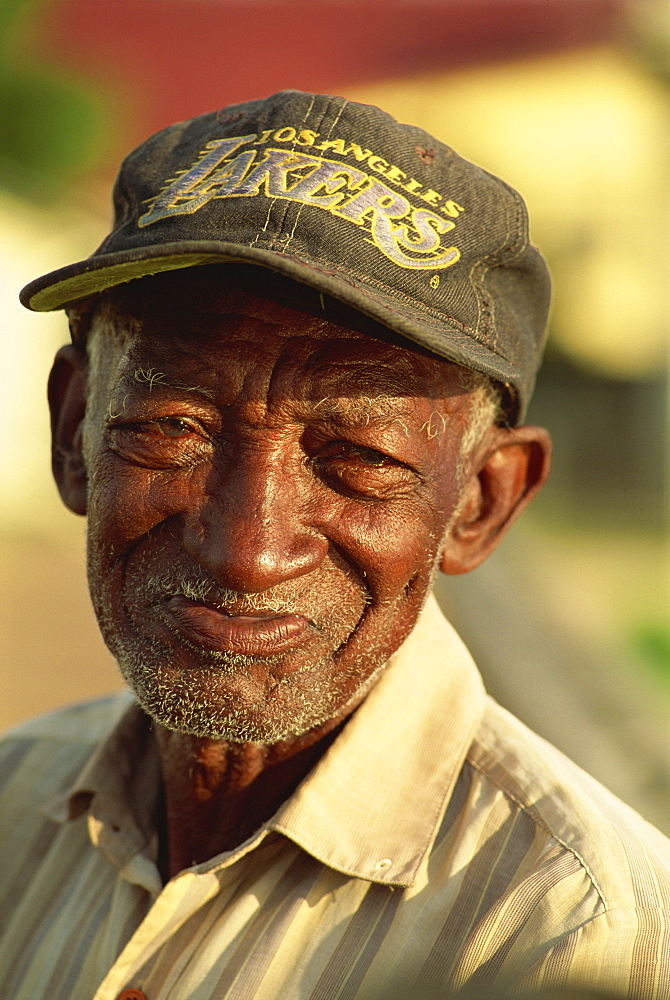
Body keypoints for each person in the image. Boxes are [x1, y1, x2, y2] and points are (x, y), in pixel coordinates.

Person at [2, 91, 669, 1000]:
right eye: (171, 426)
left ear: (481, 503)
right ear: (74, 428)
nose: (246, 550)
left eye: (357, 459)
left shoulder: (569, 938)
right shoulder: (8, 805)